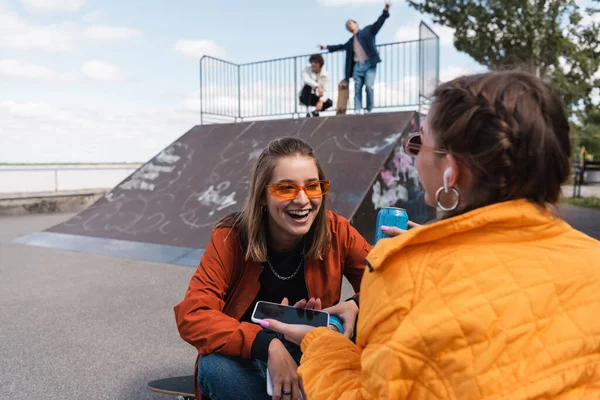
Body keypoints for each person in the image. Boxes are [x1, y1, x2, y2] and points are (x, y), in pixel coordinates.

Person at [262, 71, 600, 399]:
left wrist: (320, 341)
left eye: (420, 142)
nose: (415, 155)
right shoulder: (591, 257)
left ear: (452, 172)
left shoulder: (400, 272)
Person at [174, 137, 371, 400]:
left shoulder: (337, 231)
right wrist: (267, 344)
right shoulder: (230, 238)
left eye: (312, 186)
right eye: (285, 188)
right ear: (263, 195)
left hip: (310, 347)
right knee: (216, 368)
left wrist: (356, 304)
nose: (302, 200)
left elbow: (391, 283)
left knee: (366, 320)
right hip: (251, 356)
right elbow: (193, 315)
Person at [319, 2, 390, 114]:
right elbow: (340, 46)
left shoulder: (367, 31)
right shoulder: (350, 42)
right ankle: (357, 110)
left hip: (369, 64)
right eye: (347, 25)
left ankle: (369, 110)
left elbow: (378, 23)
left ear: (356, 24)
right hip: (357, 67)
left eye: (350, 23)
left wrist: (385, 11)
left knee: (368, 87)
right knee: (357, 89)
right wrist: (326, 47)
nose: (349, 25)